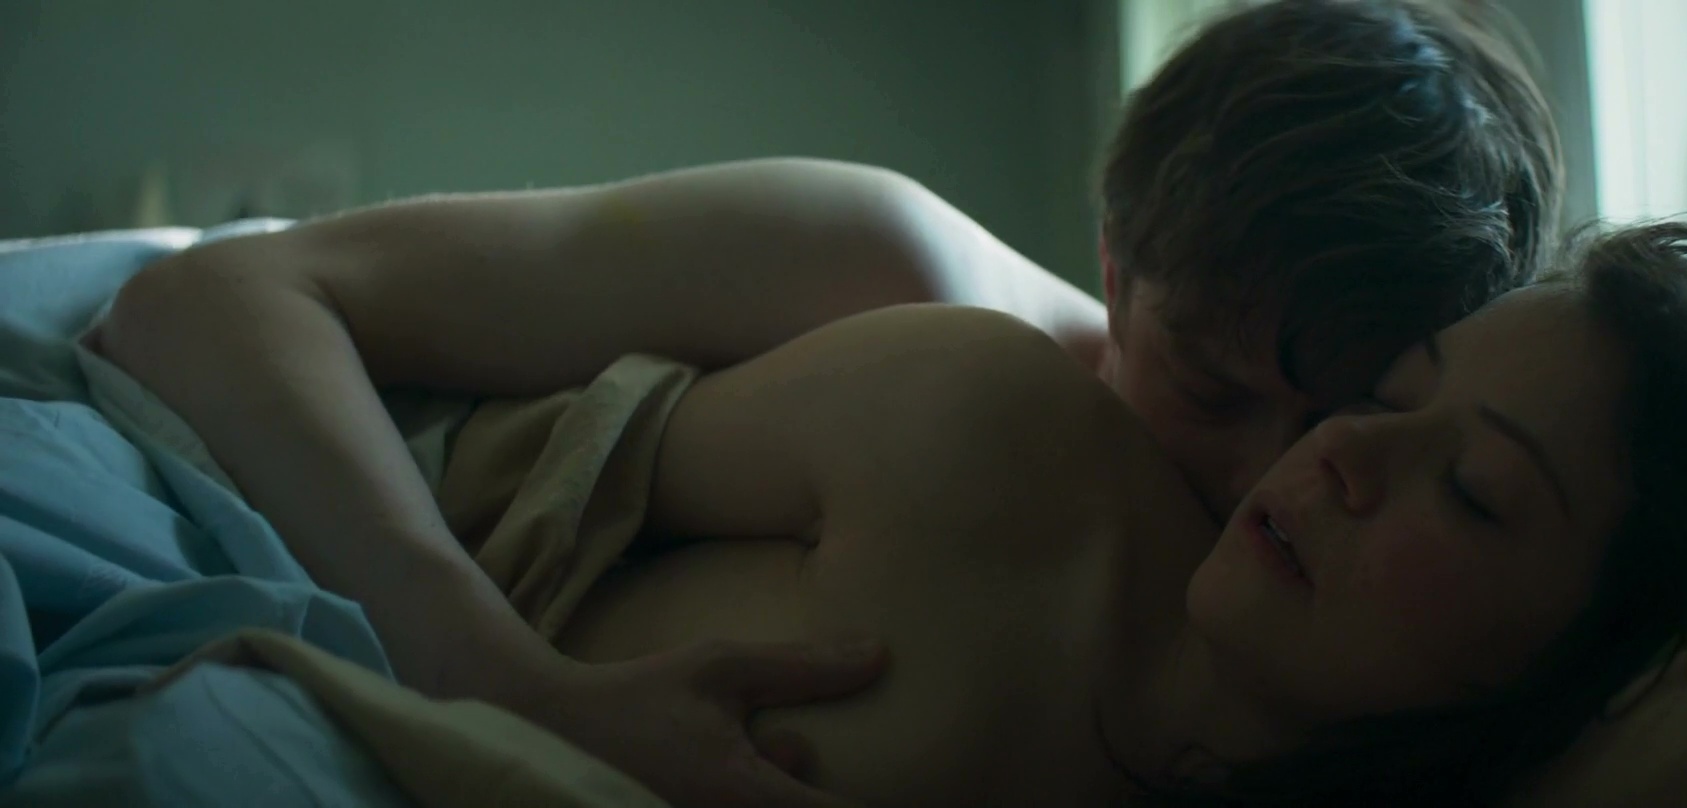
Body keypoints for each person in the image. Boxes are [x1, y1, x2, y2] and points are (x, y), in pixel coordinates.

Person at [100, 1, 1560, 805]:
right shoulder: (898, 278)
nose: (1264, 476)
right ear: (1117, 269)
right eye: (1212, 389)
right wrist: (506, 686)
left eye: (1343, 418)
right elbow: (216, 299)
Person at [104, 218, 1687, 805]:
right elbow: (203, 307)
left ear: (1598, 664)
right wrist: (508, 683)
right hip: (202, 474)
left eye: (1469, 485)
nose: (1332, 455)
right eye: (1396, 393)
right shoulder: (979, 426)